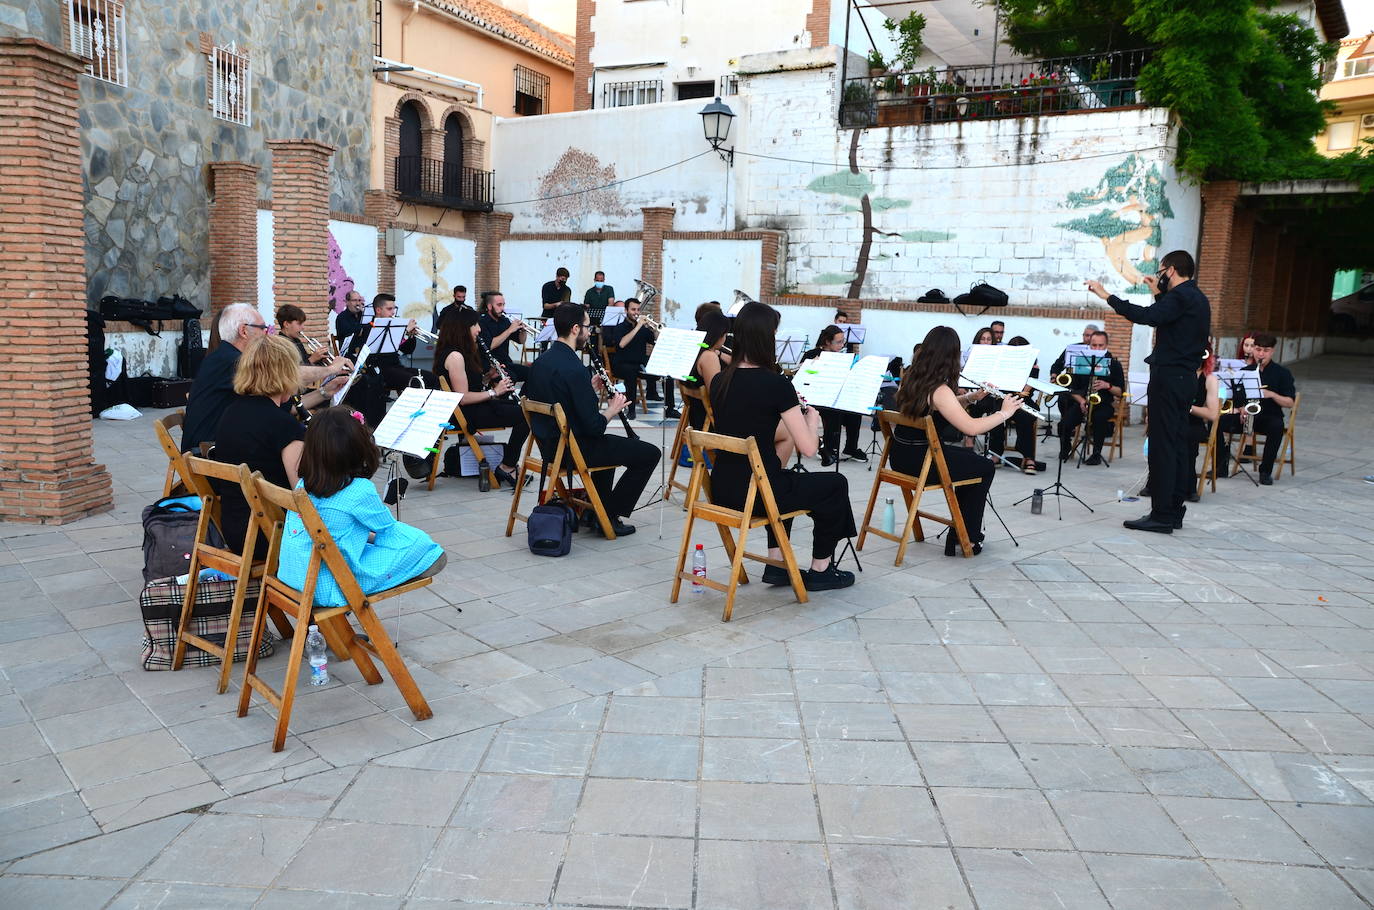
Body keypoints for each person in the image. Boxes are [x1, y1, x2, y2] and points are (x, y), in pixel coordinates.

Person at [709, 301, 857, 590]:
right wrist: (811, 419)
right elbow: (810, 449)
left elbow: (749, 421)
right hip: (757, 493)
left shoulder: (719, 380)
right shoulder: (775, 384)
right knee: (835, 484)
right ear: (766, 338)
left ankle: (777, 565)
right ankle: (821, 569)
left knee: (784, 479)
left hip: (724, 488)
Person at [1088, 249, 1211, 533]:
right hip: (1183, 378)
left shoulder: (1181, 296)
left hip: (1170, 377)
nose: (1159, 276)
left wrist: (1107, 296)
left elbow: (1148, 316)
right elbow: (1169, 317)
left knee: (1162, 446)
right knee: (1177, 444)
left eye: (1160, 272)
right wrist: (1158, 293)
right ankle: (1173, 510)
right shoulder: (1196, 297)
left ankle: (1161, 514)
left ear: (1170, 270)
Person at [279, 407, 446, 606]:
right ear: (358, 446)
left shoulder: (303, 483)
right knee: (421, 543)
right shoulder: (359, 489)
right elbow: (387, 528)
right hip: (328, 586)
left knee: (368, 539)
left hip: (294, 576)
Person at [524, 303, 661, 537]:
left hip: (550, 448)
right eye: (588, 328)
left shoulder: (541, 362)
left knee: (608, 450)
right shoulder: (575, 368)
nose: (590, 333)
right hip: (573, 450)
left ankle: (597, 510)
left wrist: (585, 389)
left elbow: (556, 396)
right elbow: (595, 427)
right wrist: (612, 409)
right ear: (576, 329)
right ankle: (609, 514)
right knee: (650, 453)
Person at [891, 326, 1022, 556]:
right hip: (922, 462)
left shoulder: (912, 376)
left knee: (970, 463)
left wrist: (972, 397)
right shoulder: (939, 389)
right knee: (984, 467)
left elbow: (940, 406)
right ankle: (967, 537)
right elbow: (971, 427)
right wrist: (1005, 413)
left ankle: (960, 531)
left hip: (900, 456)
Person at [183, 303, 347, 453]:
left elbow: (289, 407)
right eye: (263, 328)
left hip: (217, 449)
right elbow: (286, 373)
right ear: (244, 331)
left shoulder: (225, 357)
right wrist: (331, 369)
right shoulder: (232, 361)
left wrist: (325, 391)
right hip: (209, 454)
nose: (267, 333)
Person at [209, 335, 308, 557]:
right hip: (272, 535)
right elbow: (303, 496)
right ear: (287, 373)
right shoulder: (284, 426)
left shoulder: (231, 412)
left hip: (237, 529)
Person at [433, 306, 528, 486]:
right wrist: (495, 391)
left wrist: (488, 376)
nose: (479, 329)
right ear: (462, 328)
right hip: (465, 413)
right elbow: (462, 398)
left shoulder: (459, 352)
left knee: (524, 409)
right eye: (475, 325)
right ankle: (508, 466)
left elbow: (470, 386)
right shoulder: (455, 357)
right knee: (526, 416)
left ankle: (508, 464)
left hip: (473, 408)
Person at [1141, 342, 1218, 500]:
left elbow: (1212, 414)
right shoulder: (1174, 374)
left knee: (1185, 436)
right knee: (1159, 434)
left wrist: (1187, 408)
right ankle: (1155, 482)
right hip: (1170, 418)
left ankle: (1188, 486)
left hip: (1193, 423)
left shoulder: (1209, 379)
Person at [799, 325, 865, 465]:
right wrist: (813, 365)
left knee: (855, 412)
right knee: (833, 412)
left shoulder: (844, 357)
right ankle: (828, 448)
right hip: (816, 397)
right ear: (828, 342)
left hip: (836, 396)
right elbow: (802, 376)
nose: (842, 345)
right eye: (839, 342)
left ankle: (850, 448)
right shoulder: (812, 354)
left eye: (843, 341)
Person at [1055, 330, 1124, 465]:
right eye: (1094, 346)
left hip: (1103, 404)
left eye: (1100, 346)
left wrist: (1107, 386)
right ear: (1089, 345)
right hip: (1083, 403)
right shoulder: (1081, 363)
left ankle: (1096, 454)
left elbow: (1120, 392)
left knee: (1100, 419)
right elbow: (1072, 389)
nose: (1097, 349)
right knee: (1063, 424)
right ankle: (1066, 448)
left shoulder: (1114, 365)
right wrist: (1081, 401)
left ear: (1106, 346)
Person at [605, 297, 678, 420]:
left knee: (667, 372)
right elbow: (622, 344)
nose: (636, 312)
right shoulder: (619, 328)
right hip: (622, 363)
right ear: (626, 310)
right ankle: (631, 409)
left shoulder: (643, 329)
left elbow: (655, 341)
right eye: (633, 309)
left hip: (639, 363)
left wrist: (656, 330)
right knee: (631, 372)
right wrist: (638, 326)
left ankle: (670, 409)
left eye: (638, 310)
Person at [1246, 333, 1296, 485]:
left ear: (1272, 351)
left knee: (1277, 426)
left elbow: (1289, 402)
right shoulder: (1245, 371)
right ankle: (1221, 466)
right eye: (1258, 349)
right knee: (1221, 421)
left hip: (1269, 416)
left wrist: (1272, 394)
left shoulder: (1282, 373)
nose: (1261, 354)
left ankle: (1265, 471)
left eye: (1265, 350)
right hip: (1248, 416)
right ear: (1253, 350)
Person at [988, 336, 1040, 474]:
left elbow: (1026, 390)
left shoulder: (1033, 366)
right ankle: (995, 454)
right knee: (996, 416)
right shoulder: (1002, 364)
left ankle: (1028, 456)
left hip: (1023, 401)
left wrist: (1019, 393)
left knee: (1025, 417)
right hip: (1005, 399)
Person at [477, 290, 529, 383]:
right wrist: (509, 330)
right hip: (491, 366)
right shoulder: (482, 322)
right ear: (489, 306)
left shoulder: (505, 321)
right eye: (499, 305)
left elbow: (521, 341)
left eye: (503, 305)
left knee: (532, 373)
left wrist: (523, 331)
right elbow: (489, 345)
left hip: (506, 362)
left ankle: (523, 396)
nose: (503, 308)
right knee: (511, 378)